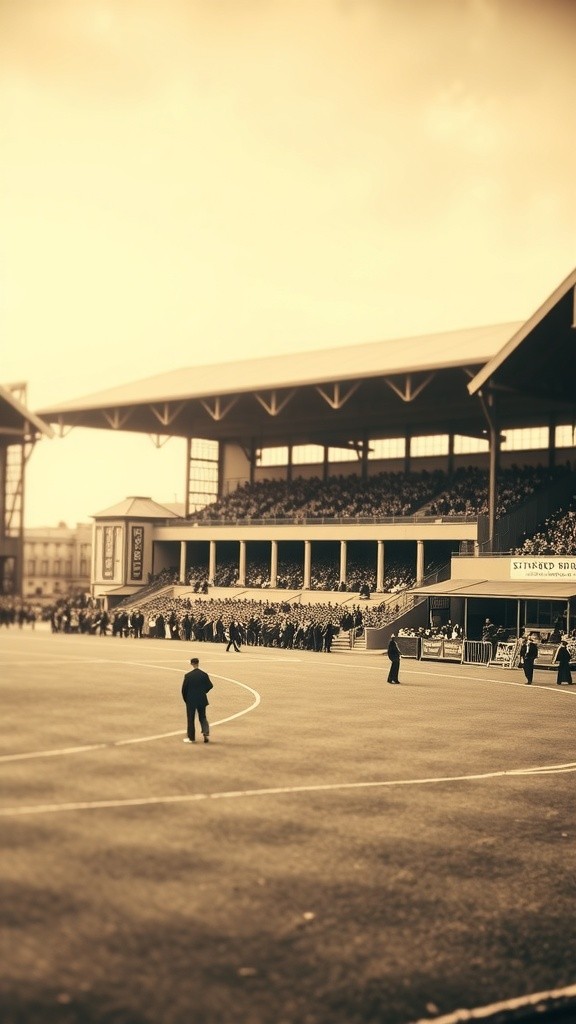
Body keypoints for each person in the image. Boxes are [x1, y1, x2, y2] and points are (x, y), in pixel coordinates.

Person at [181, 657, 213, 743]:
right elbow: (210, 686)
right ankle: (205, 733)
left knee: (191, 719)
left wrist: (186, 699)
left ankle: (191, 737)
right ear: (198, 663)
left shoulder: (188, 676)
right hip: (202, 699)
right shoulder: (204, 674)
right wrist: (203, 692)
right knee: (202, 717)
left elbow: (184, 690)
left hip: (191, 700)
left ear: (191, 664)